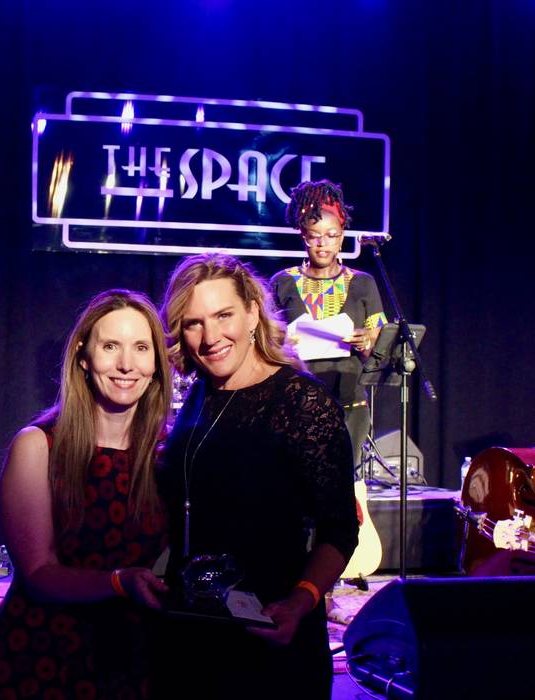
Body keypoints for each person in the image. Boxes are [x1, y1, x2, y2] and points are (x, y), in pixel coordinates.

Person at [154, 254, 358, 699]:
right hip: (193, 631)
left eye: (223, 315)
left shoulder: (301, 402)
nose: (210, 338)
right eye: (193, 323)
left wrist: (300, 602)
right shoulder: (200, 396)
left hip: (269, 630)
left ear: (252, 312)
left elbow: (340, 531)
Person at [0, 289, 171, 699]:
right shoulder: (38, 445)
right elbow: (39, 573)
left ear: (156, 365)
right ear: (83, 357)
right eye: (110, 346)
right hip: (41, 655)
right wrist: (118, 582)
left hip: (128, 657)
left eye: (141, 348)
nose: (126, 364)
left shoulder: (166, 456)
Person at [270, 179, 387, 470]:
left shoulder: (363, 282)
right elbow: (264, 342)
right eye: (314, 236)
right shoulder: (282, 282)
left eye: (331, 235)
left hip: (349, 402)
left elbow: (380, 344)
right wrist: (283, 345)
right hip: (297, 401)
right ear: (303, 236)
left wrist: (367, 342)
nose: (323, 244)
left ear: (342, 236)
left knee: (344, 481)